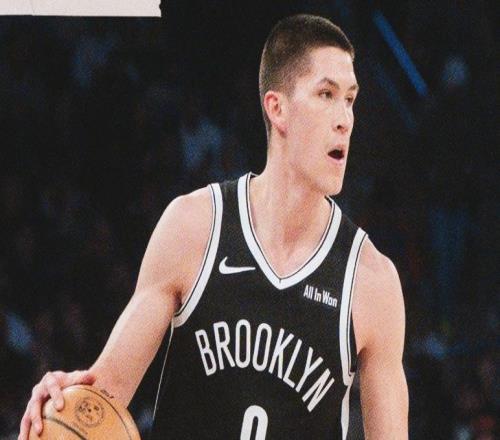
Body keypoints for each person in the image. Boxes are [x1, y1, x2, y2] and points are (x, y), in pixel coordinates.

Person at [19, 14, 408, 439]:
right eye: (326, 94)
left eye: (350, 99)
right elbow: (106, 395)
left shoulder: (372, 283)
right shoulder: (194, 228)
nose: (345, 119)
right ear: (277, 108)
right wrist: (63, 402)